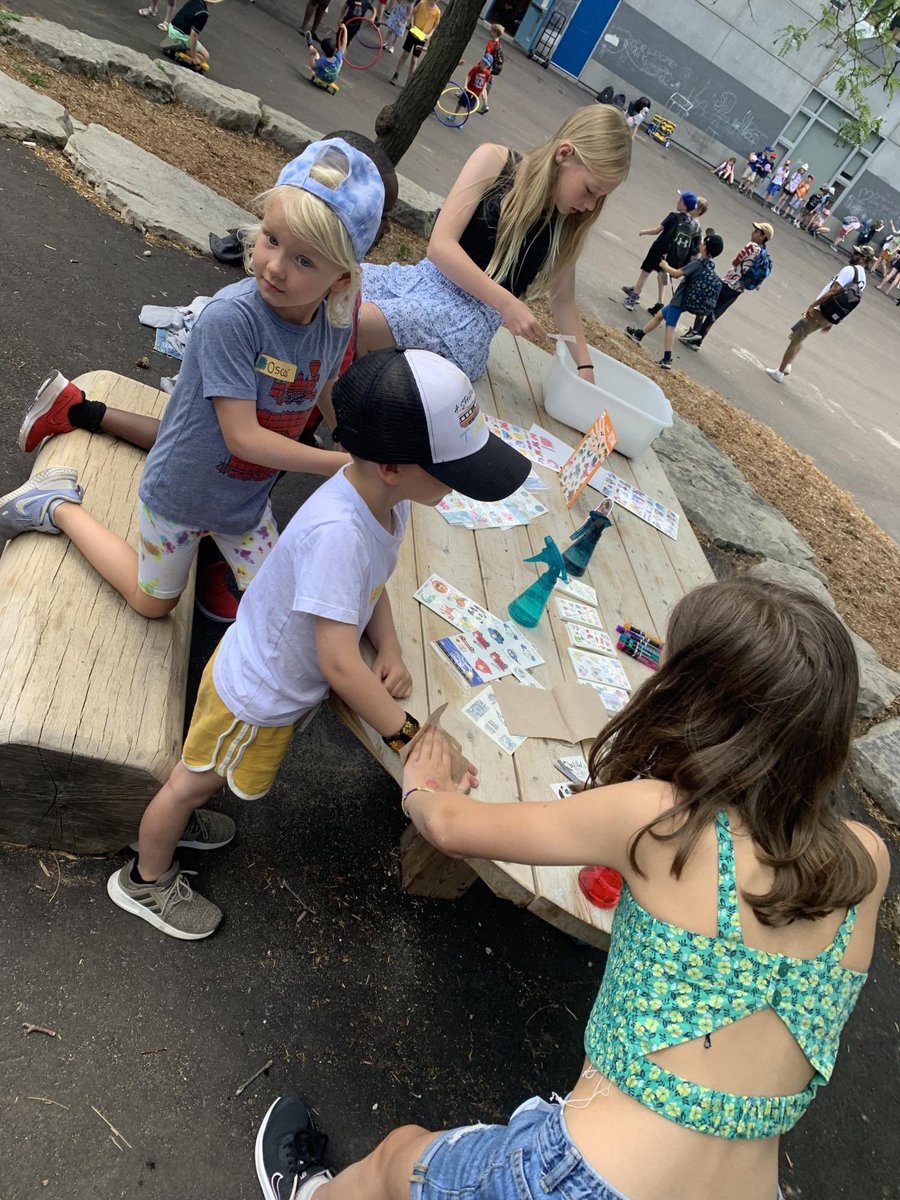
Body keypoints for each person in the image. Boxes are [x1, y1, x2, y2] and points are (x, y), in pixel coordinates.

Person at [254, 576, 889, 1200]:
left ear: (692, 701)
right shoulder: (868, 858)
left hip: (585, 1180)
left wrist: (421, 782)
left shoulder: (664, 818)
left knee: (399, 1157)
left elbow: (448, 826)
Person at [104, 348, 531, 939]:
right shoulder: (340, 533)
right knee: (187, 781)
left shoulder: (386, 502)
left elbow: (370, 586)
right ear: (391, 466)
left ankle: (180, 819)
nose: (457, 486)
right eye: (451, 473)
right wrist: (412, 739)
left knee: (201, 774)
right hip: (254, 697)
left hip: (273, 685)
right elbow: (336, 662)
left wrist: (389, 648)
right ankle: (145, 879)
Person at [10, 133, 398, 623]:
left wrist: (354, 441)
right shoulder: (231, 319)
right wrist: (338, 463)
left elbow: (323, 385)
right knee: (153, 603)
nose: (274, 266)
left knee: (273, 602)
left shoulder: (336, 322)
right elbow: (243, 438)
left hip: (244, 502)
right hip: (181, 493)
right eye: (271, 239)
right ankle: (57, 505)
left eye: (304, 260)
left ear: (340, 279)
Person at [357, 106, 631, 384]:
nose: (589, 206)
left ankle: (337, 421)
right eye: (590, 190)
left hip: (467, 323)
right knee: (338, 288)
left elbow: (563, 299)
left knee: (358, 321)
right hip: (422, 281)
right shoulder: (493, 160)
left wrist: (585, 368)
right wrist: (508, 303)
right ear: (564, 154)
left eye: (600, 198)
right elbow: (440, 246)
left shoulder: (566, 223)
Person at [765, 244, 874, 383]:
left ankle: (779, 372)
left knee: (796, 337)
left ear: (863, 258)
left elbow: (834, 290)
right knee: (802, 335)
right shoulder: (862, 278)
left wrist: (814, 305)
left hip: (821, 310)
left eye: (856, 253)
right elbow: (848, 301)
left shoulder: (849, 270)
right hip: (828, 315)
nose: (852, 254)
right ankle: (787, 365)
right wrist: (833, 321)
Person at [626, 232, 723, 369]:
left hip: (680, 300)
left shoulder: (698, 263)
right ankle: (639, 334)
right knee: (660, 315)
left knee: (670, 327)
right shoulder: (709, 266)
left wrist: (665, 266)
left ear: (705, 247)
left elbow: (676, 274)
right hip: (687, 300)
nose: (700, 244)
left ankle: (667, 359)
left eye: (703, 243)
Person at [681, 221, 772, 350]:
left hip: (729, 282)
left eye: (756, 232)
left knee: (706, 302)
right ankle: (699, 339)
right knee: (716, 312)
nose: (753, 233)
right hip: (739, 288)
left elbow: (735, 262)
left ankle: (695, 331)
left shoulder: (751, 246)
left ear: (763, 236)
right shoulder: (764, 255)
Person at [621, 189, 700, 313]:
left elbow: (657, 230)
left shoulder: (673, 217)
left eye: (680, 200)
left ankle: (633, 298)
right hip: (673, 256)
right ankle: (659, 301)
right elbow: (695, 247)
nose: (677, 202)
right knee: (663, 275)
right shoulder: (694, 225)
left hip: (658, 249)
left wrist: (644, 231)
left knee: (645, 273)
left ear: (684, 205)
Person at [390, 0, 440, 85]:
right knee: (405, 54)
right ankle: (396, 73)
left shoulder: (437, 12)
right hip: (413, 32)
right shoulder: (422, 3)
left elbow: (435, 26)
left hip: (422, 37)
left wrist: (429, 35)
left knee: (414, 59)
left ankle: (409, 82)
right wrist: (412, 25)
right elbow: (413, 13)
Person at [159, 0, 223, 66]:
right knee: (205, 56)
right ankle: (180, 48)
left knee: (200, 52)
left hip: (172, 28)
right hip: (181, 35)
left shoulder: (193, 1)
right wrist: (194, 57)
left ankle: (177, 44)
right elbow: (194, 35)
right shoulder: (203, 13)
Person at [457, 53, 492, 117]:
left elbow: (485, 83)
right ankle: (454, 115)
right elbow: (468, 76)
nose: (483, 65)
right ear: (481, 60)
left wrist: (483, 92)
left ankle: (462, 121)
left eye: (486, 64)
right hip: (469, 90)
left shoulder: (487, 73)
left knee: (469, 108)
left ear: (488, 66)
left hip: (476, 94)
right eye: (483, 62)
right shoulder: (475, 68)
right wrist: (465, 86)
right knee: (461, 103)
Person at [481, 22, 504, 111]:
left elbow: (488, 54)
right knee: (487, 83)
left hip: (486, 64)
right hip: (492, 67)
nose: (490, 32)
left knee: (477, 78)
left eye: (491, 31)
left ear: (494, 32)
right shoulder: (498, 43)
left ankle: (485, 104)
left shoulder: (491, 43)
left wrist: (483, 64)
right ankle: (484, 104)